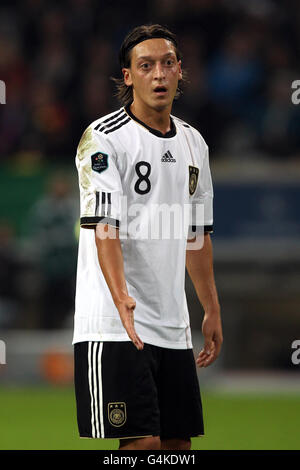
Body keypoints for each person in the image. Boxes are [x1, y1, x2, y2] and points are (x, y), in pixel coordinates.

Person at [73, 24, 223, 451]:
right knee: (142, 447)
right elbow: (105, 227)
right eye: (146, 66)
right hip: (115, 324)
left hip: (172, 325)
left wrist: (210, 308)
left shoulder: (195, 143)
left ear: (180, 72)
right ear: (128, 76)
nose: (158, 74)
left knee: (177, 448)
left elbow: (198, 234)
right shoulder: (103, 138)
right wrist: (121, 297)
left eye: (167, 63)